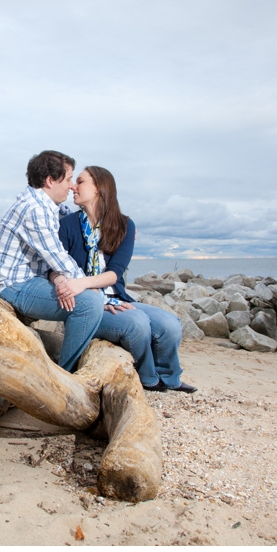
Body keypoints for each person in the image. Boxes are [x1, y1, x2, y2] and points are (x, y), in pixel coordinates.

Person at [56, 165, 196, 393]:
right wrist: (89, 294)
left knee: (169, 324)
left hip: (116, 297)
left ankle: (171, 378)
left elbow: (115, 273)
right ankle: (149, 380)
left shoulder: (124, 225)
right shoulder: (67, 226)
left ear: (99, 188)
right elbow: (59, 269)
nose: (73, 186)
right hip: (86, 304)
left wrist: (86, 283)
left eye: (80, 181)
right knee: (137, 323)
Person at [0, 151, 105, 372]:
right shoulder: (34, 209)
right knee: (89, 304)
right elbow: (59, 257)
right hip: (13, 286)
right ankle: (66, 375)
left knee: (85, 298)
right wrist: (90, 285)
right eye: (69, 179)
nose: (72, 186)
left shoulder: (46, 206)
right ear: (50, 180)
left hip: (32, 280)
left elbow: (75, 220)